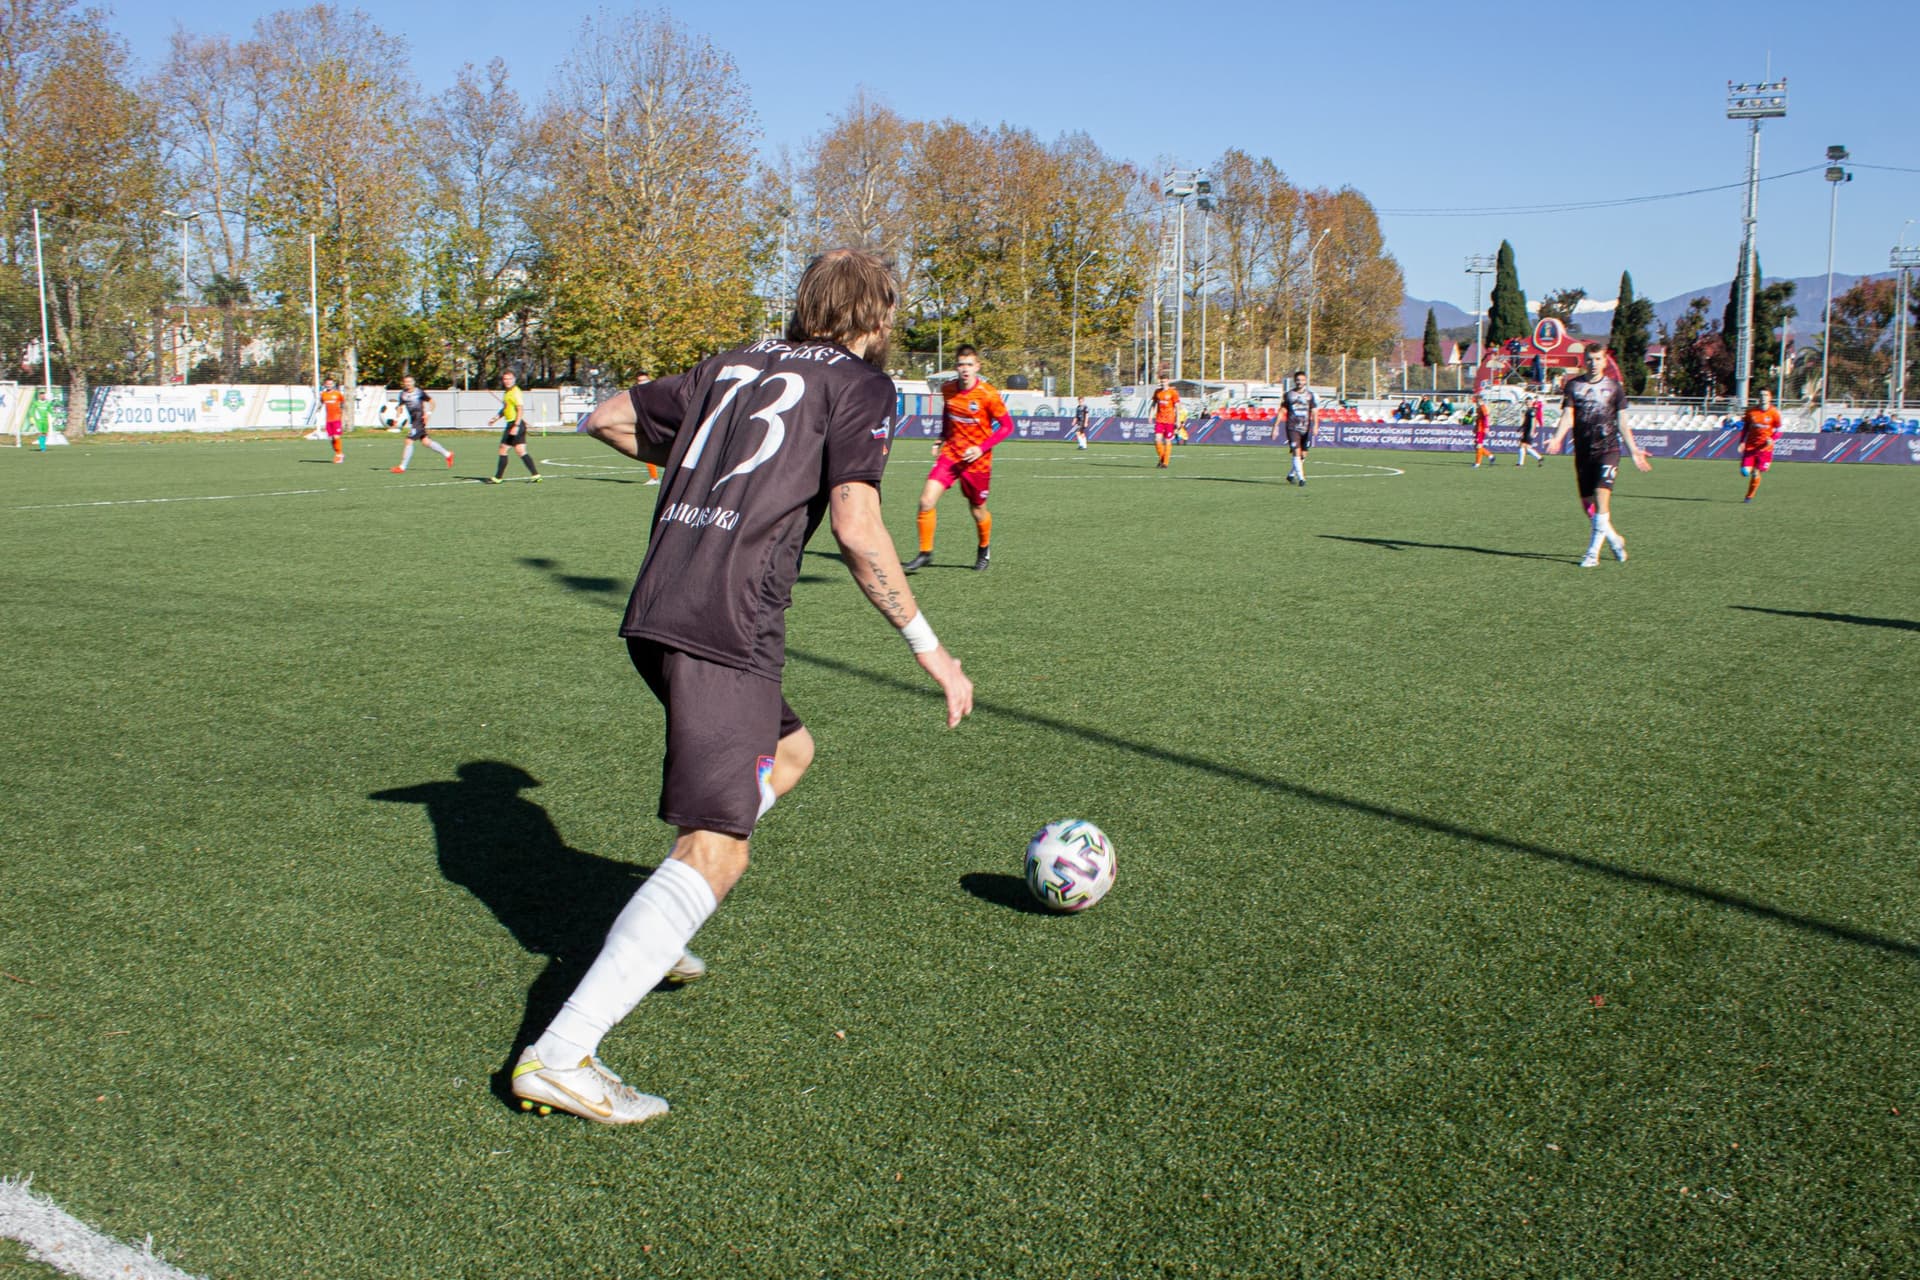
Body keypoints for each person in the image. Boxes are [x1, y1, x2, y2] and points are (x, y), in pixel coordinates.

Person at [511, 248, 974, 1125]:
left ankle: (658, 932)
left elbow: (608, 417)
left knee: (791, 751)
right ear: (877, 318)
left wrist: (696, 477)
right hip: (728, 622)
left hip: (659, 602)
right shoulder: (862, 384)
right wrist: (930, 650)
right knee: (717, 849)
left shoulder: (733, 362)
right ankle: (562, 1055)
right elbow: (858, 525)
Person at [903, 344, 1012, 572]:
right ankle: (925, 553)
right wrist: (940, 438)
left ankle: (984, 548)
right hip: (951, 454)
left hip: (977, 462)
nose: (965, 369)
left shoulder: (988, 394)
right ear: (956, 366)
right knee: (926, 501)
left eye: (969, 364)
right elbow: (948, 413)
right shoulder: (948, 389)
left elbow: (1007, 427)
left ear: (977, 367)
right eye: (961, 364)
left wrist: (981, 448)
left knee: (977, 510)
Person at [1545, 346, 1652, 567]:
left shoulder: (1614, 388)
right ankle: (1615, 539)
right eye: (1589, 359)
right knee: (1588, 505)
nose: (1593, 363)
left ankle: (1592, 553)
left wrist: (1634, 450)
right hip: (1584, 453)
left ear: (1605, 361)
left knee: (1602, 498)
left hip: (1608, 450)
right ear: (1584, 362)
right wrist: (1557, 438)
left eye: (1597, 359)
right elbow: (1568, 415)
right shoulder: (1574, 386)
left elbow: (1622, 423)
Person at [486, 370, 540, 484]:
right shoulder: (507, 392)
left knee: (503, 449)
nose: (507, 381)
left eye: (509, 379)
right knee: (521, 451)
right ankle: (536, 475)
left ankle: (498, 477)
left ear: (514, 380)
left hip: (515, 424)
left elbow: (520, 409)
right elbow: (505, 408)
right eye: (505, 379)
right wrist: (495, 418)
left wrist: (515, 425)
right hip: (515, 424)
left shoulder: (516, 392)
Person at [390, 376, 453, 472]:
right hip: (414, 420)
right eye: (406, 382)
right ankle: (447, 454)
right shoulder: (403, 394)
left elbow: (432, 402)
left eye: (410, 381)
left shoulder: (419, 392)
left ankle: (402, 467)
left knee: (409, 441)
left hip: (419, 420)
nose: (408, 383)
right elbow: (400, 407)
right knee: (426, 442)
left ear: (413, 382)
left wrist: (428, 414)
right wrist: (396, 418)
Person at [1739, 388, 1782, 503]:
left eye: (1766, 395)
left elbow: (1779, 430)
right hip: (1751, 447)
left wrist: (1772, 439)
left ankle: (1749, 496)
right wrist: (1742, 442)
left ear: (1770, 397)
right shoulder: (1751, 411)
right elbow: (1745, 428)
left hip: (1765, 449)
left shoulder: (1774, 413)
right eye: (1761, 395)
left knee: (1756, 472)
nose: (1763, 397)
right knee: (1744, 472)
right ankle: (1753, 471)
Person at [1281, 370, 1318, 487]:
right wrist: (1275, 426)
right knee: (1296, 452)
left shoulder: (1310, 395)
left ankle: (1291, 475)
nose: (1300, 382)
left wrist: (1316, 425)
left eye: (1302, 380)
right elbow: (1282, 410)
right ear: (1294, 381)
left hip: (1306, 428)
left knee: (1303, 454)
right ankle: (1302, 479)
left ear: (1305, 381)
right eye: (1298, 380)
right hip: (1292, 427)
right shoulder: (1289, 395)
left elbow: (1314, 411)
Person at [1149, 378, 1180, 468]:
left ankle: (1165, 462)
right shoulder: (1157, 392)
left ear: (1168, 382)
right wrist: (1151, 415)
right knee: (1157, 439)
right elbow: (1154, 405)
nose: (1163, 383)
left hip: (1170, 420)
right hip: (1159, 419)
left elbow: (1177, 407)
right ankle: (1163, 459)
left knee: (1167, 440)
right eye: (1161, 382)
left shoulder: (1173, 392)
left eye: (1164, 381)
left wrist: (1177, 420)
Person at [318, 377, 346, 463]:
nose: (329, 385)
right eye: (327, 384)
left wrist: (344, 416)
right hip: (328, 420)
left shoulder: (338, 394)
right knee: (331, 439)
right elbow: (321, 403)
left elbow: (343, 404)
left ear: (333, 385)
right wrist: (318, 409)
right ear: (325, 385)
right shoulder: (323, 394)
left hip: (337, 419)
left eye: (331, 384)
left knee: (336, 436)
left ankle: (339, 455)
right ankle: (338, 453)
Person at [1517, 397, 1544, 467]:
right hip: (1526, 430)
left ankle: (1521, 463)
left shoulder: (1532, 411)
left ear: (1531, 402)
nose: (1527, 403)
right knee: (1524, 446)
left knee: (1524, 446)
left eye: (1528, 401)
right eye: (1526, 402)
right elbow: (1525, 421)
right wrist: (1520, 428)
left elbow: (1532, 422)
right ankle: (1539, 458)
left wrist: (1532, 431)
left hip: (1529, 431)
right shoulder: (1528, 410)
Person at [1472, 396, 1492, 467]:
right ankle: (1490, 456)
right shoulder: (1478, 408)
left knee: (1478, 446)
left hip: (1481, 430)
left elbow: (1486, 417)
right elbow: (1478, 420)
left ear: (1480, 401)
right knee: (1476, 446)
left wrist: (1486, 427)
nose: (1476, 404)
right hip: (1478, 429)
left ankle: (1477, 463)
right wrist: (1475, 427)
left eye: (1477, 402)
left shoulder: (1483, 407)